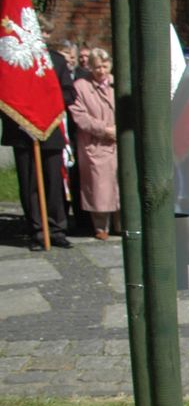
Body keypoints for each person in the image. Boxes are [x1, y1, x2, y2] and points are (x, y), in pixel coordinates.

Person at [1, 38, 73, 250]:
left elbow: (69, 93)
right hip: (22, 132)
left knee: (53, 183)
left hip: (49, 130)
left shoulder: (55, 61)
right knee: (29, 184)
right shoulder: (10, 60)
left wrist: (45, 102)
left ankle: (56, 229)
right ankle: (37, 231)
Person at [69, 47, 118, 240]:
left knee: (120, 184)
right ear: (90, 67)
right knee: (99, 186)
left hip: (117, 141)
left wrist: (118, 128)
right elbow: (79, 116)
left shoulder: (117, 82)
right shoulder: (81, 86)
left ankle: (121, 224)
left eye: (105, 66)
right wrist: (104, 129)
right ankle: (100, 227)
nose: (102, 71)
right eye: (97, 67)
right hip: (96, 143)